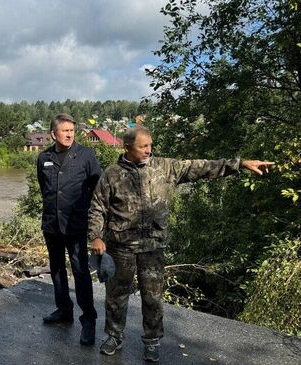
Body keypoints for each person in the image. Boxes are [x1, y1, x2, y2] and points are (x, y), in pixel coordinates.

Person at [88, 125, 274, 362]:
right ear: (127, 147)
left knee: (153, 297)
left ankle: (152, 341)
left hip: (153, 246)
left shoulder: (167, 167)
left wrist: (241, 164)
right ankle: (114, 336)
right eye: (143, 146)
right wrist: (96, 236)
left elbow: (203, 167)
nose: (148, 150)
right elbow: (97, 207)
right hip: (121, 246)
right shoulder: (112, 174)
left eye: (150, 145)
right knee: (116, 295)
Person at [37, 113, 101, 346]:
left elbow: (98, 190)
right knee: (56, 269)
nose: (69, 134)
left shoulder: (86, 155)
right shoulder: (44, 157)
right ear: (53, 134)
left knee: (80, 271)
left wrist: (97, 225)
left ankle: (89, 321)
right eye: (64, 131)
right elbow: (44, 188)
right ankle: (64, 310)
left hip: (76, 224)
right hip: (52, 224)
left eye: (72, 131)